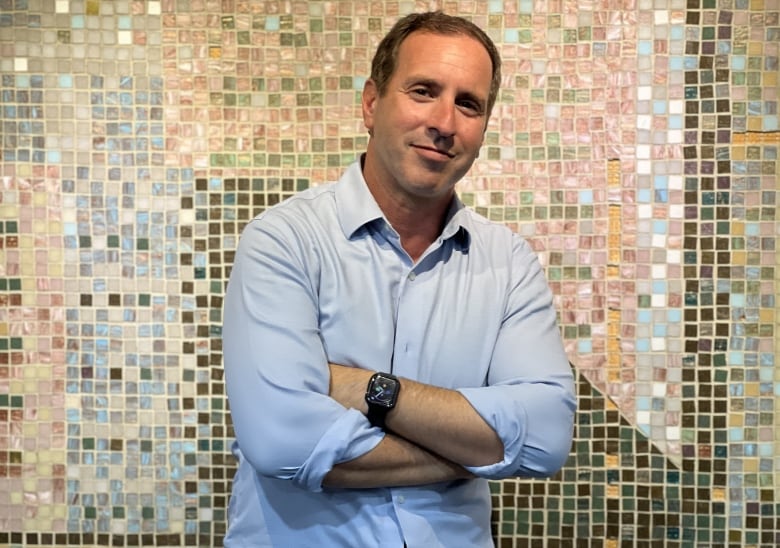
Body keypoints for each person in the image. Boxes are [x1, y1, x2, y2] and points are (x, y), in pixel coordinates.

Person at [222, 10, 576, 547]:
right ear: (370, 104)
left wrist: (365, 389)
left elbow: (546, 437)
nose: (444, 121)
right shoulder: (283, 240)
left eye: (468, 103)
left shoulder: (509, 263)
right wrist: (476, 449)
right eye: (423, 91)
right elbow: (282, 444)